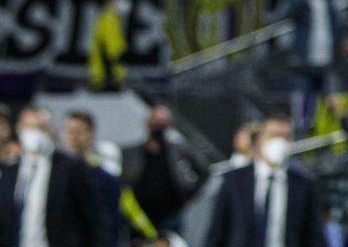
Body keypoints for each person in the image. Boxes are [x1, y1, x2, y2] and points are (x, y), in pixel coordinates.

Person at [205, 115, 326, 247]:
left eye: (285, 137)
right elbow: (217, 232)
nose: (279, 142)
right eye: (273, 135)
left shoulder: (304, 185)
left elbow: (314, 236)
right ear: (259, 140)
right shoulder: (234, 180)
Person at [0, 106, 100, 247]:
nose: (33, 134)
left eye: (40, 128)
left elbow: (93, 218)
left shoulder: (70, 167)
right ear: (18, 129)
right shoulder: (9, 170)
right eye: (28, 127)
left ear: (50, 130)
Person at [284, 0, 348, 132]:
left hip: (328, 62)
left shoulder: (330, 1)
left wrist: (344, 40)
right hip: (303, 64)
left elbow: (338, 26)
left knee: (334, 106)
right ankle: (302, 143)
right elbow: (289, 15)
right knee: (303, 111)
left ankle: (336, 144)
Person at [123, 104, 209, 237]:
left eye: (163, 121)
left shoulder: (177, 150)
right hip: (139, 215)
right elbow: (124, 180)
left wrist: (189, 192)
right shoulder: (132, 152)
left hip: (171, 214)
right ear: (148, 122)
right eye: (156, 120)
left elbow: (203, 170)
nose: (158, 125)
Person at [63, 110, 123, 246]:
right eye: (69, 131)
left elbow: (111, 221)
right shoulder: (56, 174)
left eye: (78, 131)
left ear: (91, 133)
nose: (73, 136)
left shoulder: (105, 178)